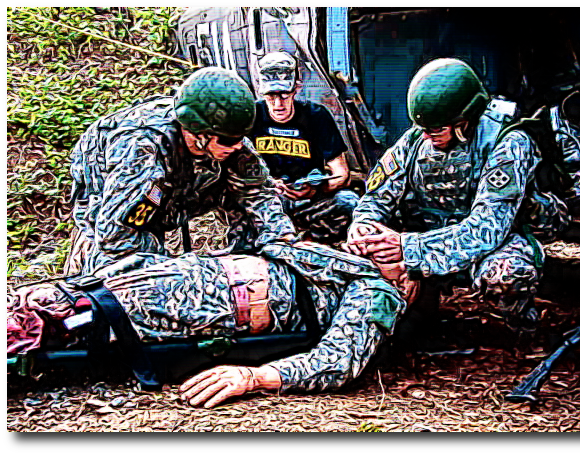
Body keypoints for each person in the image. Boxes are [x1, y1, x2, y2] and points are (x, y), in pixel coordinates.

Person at [7, 242, 406, 408]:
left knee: (71, 320)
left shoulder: (377, 291)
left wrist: (254, 377)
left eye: (394, 250)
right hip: (185, 274)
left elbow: (338, 361)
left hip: (212, 305)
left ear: (409, 281)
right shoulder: (341, 259)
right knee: (55, 299)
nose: (381, 245)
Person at [344, 58, 563, 327]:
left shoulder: (507, 142)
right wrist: (364, 225)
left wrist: (407, 248)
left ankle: (523, 326)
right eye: (423, 129)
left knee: (506, 275)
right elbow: (377, 196)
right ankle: (419, 317)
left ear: (464, 119)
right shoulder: (416, 139)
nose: (427, 137)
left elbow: (486, 229)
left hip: (493, 242)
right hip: (430, 234)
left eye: (437, 129)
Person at [66, 67, 296, 277]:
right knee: (120, 271)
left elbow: (259, 193)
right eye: (229, 140)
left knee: (252, 210)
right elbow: (116, 236)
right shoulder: (142, 151)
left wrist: (280, 239)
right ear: (199, 133)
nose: (238, 146)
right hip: (112, 198)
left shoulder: (229, 141)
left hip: (178, 182)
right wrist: (178, 270)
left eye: (241, 137)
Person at [247, 51, 359, 243]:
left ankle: (310, 238)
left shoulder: (316, 116)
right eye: (271, 96)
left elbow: (342, 173)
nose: (278, 104)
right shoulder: (252, 116)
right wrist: (268, 185)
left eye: (284, 95)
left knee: (349, 202)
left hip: (310, 199)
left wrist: (317, 189)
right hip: (270, 199)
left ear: (296, 89)